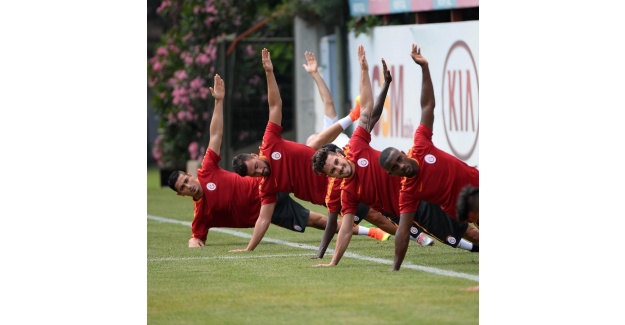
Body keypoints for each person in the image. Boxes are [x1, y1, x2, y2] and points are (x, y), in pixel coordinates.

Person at [167, 74, 385, 248]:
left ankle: (355, 116)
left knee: (313, 146)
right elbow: (197, 237)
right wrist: (193, 242)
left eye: (186, 180)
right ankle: (371, 231)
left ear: (190, 175)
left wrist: (219, 102)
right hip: (270, 199)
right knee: (317, 220)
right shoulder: (201, 215)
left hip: (291, 180)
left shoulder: (208, 170)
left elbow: (216, 135)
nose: (188, 185)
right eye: (183, 188)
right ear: (181, 194)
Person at [310, 45, 478, 268]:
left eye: (337, 162)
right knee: (458, 237)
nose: (340, 168)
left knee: (469, 225)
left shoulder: (357, 146)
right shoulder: (348, 193)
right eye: (334, 170)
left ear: (340, 154)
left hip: (424, 188)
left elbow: (370, 112)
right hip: (409, 208)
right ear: (332, 176)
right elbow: (345, 230)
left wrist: (368, 73)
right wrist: (332, 261)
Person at [230, 48, 393, 253]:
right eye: (255, 174)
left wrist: (270, 72)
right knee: (373, 214)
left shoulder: (273, 143)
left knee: (384, 201)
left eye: (256, 166)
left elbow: (275, 105)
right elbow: (264, 218)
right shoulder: (268, 186)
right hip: (333, 194)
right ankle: (414, 235)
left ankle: (415, 232)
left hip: (349, 167)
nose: (260, 172)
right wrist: (249, 248)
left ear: (256, 156)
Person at [300, 50, 433, 249]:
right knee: (374, 213)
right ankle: (411, 235)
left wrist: (315, 74)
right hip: (354, 183)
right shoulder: (326, 165)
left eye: (317, 141)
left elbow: (329, 102)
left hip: (368, 168)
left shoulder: (334, 132)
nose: (317, 144)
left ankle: (422, 227)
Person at [378, 44, 480, 270]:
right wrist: (395, 267)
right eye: (396, 167)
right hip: (463, 210)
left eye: (399, 159)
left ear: (403, 154)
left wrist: (424, 68)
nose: (401, 165)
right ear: (391, 174)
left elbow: (428, 105)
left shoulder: (421, 145)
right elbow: (403, 230)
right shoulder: (408, 192)